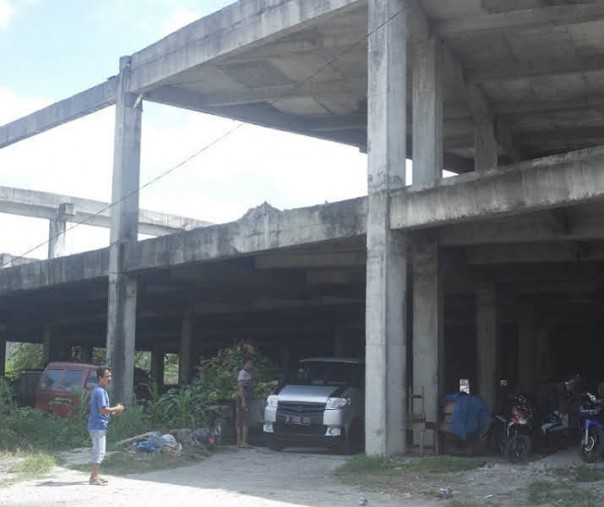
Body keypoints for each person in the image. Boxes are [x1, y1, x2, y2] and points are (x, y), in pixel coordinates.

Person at [87, 366, 124, 486]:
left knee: (98, 450)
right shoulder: (100, 391)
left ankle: (96, 475)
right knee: (99, 452)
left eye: (110, 376)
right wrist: (117, 408)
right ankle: (93, 478)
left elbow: (101, 410)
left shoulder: (99, 390)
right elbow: (103, 410)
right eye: (107, 376)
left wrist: (112, 411)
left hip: (97, 425)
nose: (110, 378)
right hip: (98, 426)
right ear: (100, 378)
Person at [236, 357, 254, 448]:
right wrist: (243, 401)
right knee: (245, 421)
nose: (251, 366)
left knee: (240, 421)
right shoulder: (243, 374)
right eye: (250, 363)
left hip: (244, 399)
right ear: (246, 363)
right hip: (244, 399)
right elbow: (241, 388)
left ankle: (239, 442)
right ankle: (243, 442)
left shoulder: (246, 373)